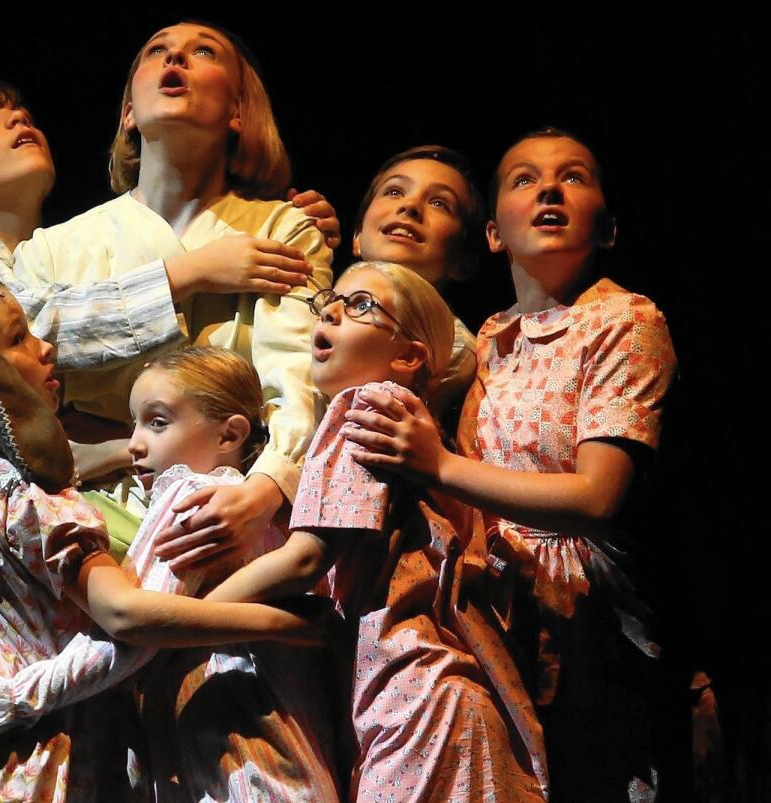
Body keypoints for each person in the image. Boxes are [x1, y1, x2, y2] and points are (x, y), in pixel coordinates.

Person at [0, 278, 324, 802]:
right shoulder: (31, 500)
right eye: (19, 338)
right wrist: (285, 622)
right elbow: (126, 617)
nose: (45, 346)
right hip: (34, 750)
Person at [345, 130, 677, 800]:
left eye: (574, 177)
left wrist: (435, 464)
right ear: (493, 234)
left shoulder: (623, 319)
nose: (549, 188)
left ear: (607, 227)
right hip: (489, 603)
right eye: (525, 179)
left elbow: (596, 495)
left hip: (582, 618)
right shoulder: (487, 339)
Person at [203, 261, 548, 801]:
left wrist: (189, 629)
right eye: (330, 302)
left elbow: (305, 559)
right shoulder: (419, 434)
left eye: (361, 305)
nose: (335, 310)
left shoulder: (366, 409)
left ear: (408, 356)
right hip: (432, 698)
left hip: (414, 699)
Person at [0, 77, 337, 480]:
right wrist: (190, 271)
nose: (16, 119)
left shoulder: (60, 247)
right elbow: (26, 323)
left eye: (25, 116)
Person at [13, 22, 333, 565]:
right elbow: (29, 343)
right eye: (157, 51)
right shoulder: (51, 248)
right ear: (128, 114)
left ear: (237, 111)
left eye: (202, 52)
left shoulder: (282, 229)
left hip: (235, 510)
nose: (175, 59)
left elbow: (300, 378)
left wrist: (268, 486)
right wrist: (188, 273)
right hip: (80, 517)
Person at [352, 145, 486, 425]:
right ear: (357, 236)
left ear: (462, 262)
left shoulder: (452, 348)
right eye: (394, 191)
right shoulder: (315, 305)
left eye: (439, 203)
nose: (409, 206)